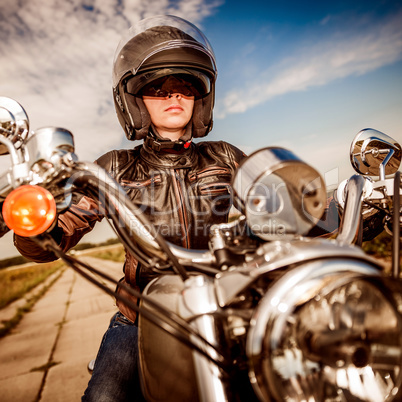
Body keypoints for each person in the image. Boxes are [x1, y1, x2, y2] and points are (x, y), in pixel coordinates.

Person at [10, 15, 246, 401]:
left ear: (201, 97)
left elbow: (282, 199)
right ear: (135, 101)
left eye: (185, 86)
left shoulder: (225, 156)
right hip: (139, 317)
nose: (174, 96)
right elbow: (64, 225)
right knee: (104, 397)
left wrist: (353, 207)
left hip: (224, 308)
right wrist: (36, 224)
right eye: (158, 87)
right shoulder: (115, 166)